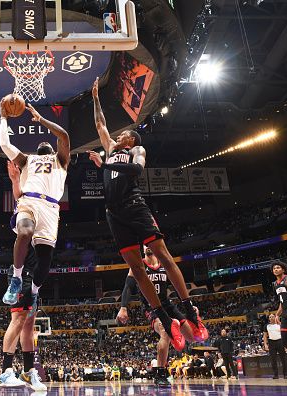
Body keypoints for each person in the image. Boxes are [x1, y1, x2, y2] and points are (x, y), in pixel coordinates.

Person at [88, 77, 207, 352]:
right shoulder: (109, 150)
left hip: (134, 205)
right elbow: (100, 124)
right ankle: (165, 320)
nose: (118, 137)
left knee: (163, 256)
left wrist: (108, 162)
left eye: (123, 136)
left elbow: (139, 171)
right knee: (137, 269)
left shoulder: (135, 150)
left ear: (131, 139)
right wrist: (95, 98)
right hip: (114, 214)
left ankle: (190, 311)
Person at [0, 100, 70, 309]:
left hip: (50, 209)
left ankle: (34, 292)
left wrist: (41, 119)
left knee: (45, 259)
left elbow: (63, 136)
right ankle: (17, 279)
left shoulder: (61, 160)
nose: (42, 143)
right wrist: (3, 117)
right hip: (28, 201)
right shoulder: (26, 160)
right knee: (24, 232)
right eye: (39, 144)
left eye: (46, 143)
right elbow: (4, 145)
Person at [0, 161, 47, 391]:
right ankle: (6, 371)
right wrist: (16, 180)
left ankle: (28, 372)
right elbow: (19, 196)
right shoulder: (24, 214)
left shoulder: (44, 209)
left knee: (29, 326)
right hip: (22, 273)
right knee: (17, 321)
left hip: (34, 277)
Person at [118, 246, 199, 386]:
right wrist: (123, 307)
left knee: (192, 336)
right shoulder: (139, 264)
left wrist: (189, 305)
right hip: (151, 307)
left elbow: (177, 286)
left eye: (150, 243)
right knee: (164, 331)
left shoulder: (164, 262)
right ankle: (160, 373)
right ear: (142, 248)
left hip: (167, 304)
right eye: (145, 244)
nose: (148, 246)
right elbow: (128, 286)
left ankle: (174, 332)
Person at [263, 313, 287, 379]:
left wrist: (285, 344)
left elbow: (284, 334)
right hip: (271, 342)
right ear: (269, 319)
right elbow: (265, 336)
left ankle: (285, 374)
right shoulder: (266, 326)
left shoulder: (280, 324)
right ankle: (275, 375)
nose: (271, 318)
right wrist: (265, 344)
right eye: (270, 317)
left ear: (275, 317)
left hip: (280, 341)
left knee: (283, 359)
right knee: (273, 359)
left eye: (272, 317)